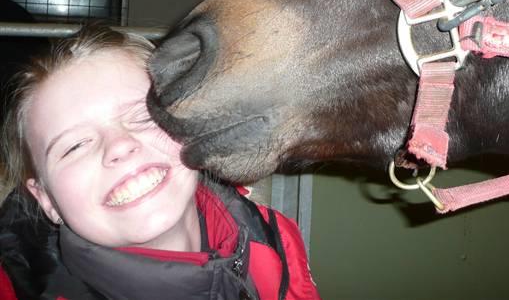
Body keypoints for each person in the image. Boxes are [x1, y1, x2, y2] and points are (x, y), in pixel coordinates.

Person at [0, 24, 320, 300]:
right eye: (75, 146)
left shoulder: (274, 240)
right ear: (45, 199)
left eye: (143, 116)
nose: (120, 146)